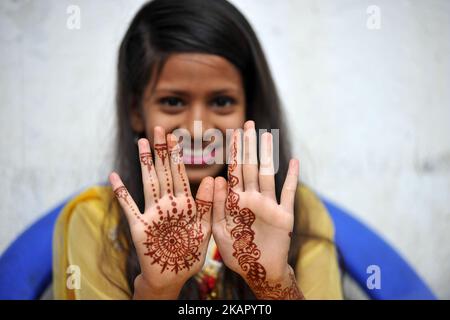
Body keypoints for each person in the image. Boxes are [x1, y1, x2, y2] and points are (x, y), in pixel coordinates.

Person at [53, 0, 343, 300]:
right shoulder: (97, 221)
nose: (197, 130)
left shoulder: (297, 211)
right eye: (173, 101)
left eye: (221, 102)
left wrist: (274, 284)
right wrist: (158, 290)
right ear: (135, 111)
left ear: (249, 110)